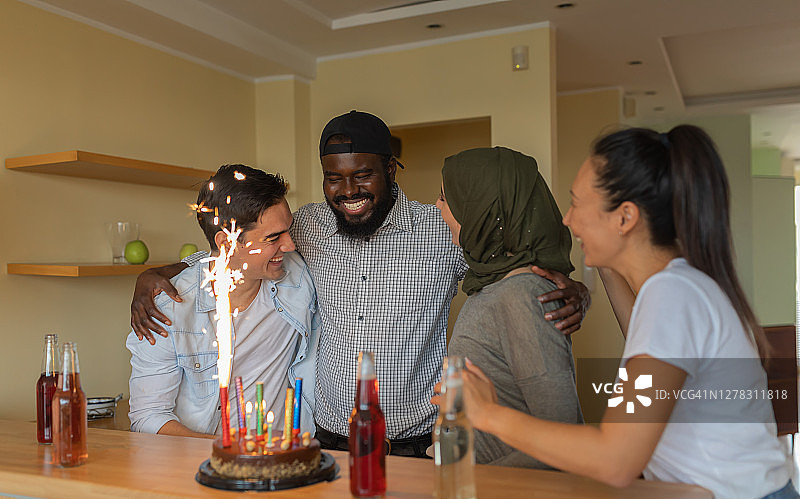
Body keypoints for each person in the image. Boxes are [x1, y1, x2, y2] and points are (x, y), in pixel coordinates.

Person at [129, 111, 590, 456]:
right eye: (334, 178)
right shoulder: (306, 227)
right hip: (327, 438)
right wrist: (157, 274)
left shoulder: (443, 230)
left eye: (363, 174)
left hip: (412, 440)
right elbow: (234, 250)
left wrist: (577, 291)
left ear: (391, 170)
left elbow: (511, 267)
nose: (348, 191)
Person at [444, 126, 799, 499]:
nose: (566, 218)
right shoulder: (673, 289)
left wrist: (489, 415)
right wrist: (605, 268)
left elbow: (616, 459)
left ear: (625, 217)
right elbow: (646, 345)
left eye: (578, 203)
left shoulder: (673, 296)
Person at [127, 164, 318, 438]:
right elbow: (148, 416)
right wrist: (228, 452)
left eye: (288, 230)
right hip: (199, 464)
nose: (290, 245)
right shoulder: (167, 310)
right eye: (273, 238)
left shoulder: (297, 277)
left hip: (285, 459)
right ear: (227, 244)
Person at [435, 146, 583, 468]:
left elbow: (562, 439)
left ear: (482, 211)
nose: (437, 206)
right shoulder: (494, 286)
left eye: (446, 198)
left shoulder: (521, 295)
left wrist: (474, 482)